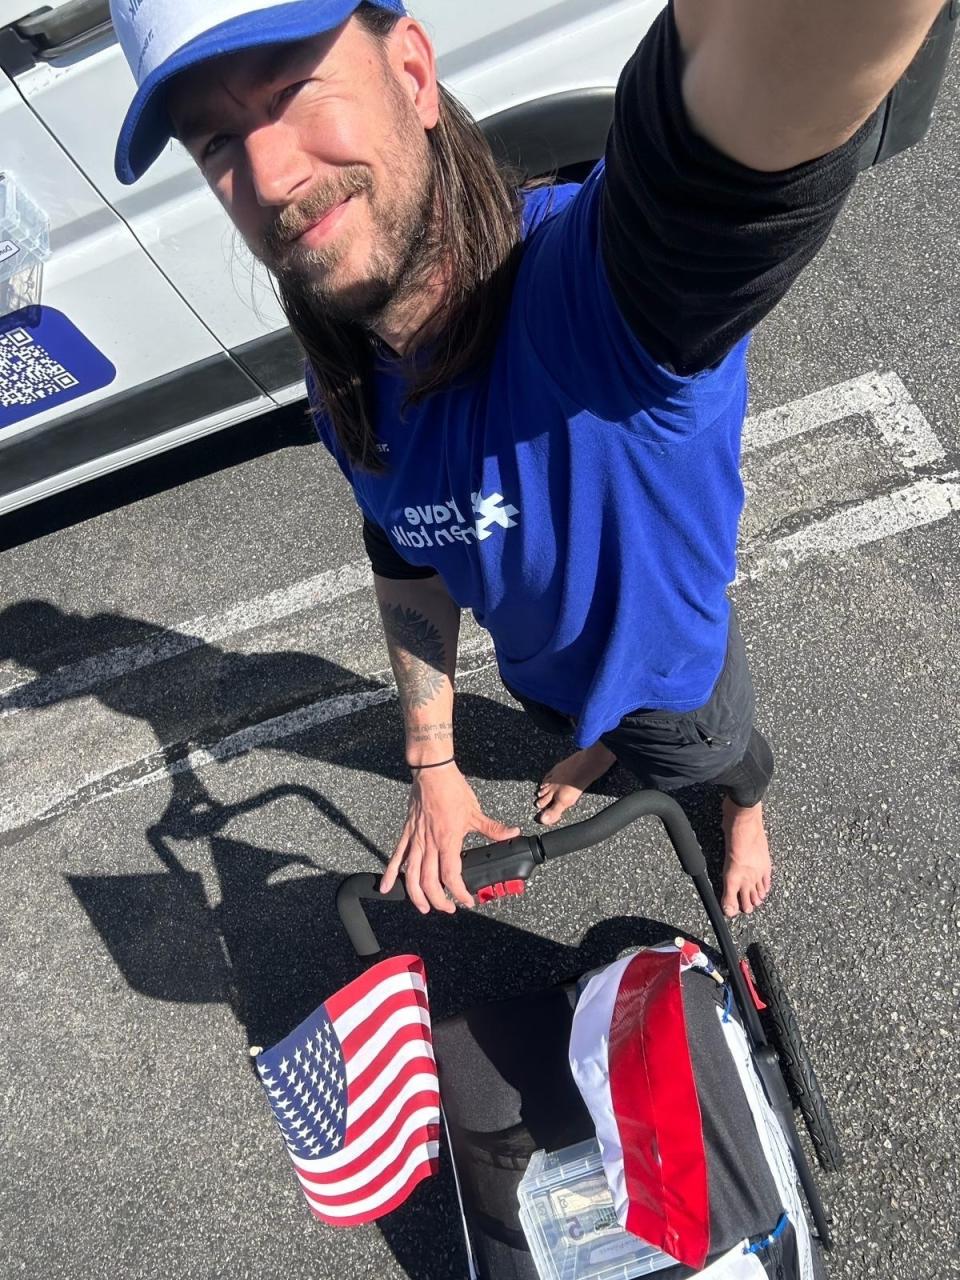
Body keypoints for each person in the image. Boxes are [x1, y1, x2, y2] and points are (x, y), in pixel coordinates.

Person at [111, 0, 945, 918]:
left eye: (294, 89)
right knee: (582, 725)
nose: (267, 176)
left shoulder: (605, 302)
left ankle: (746, 815)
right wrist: (433, 763)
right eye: (218, 142)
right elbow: (402, 545)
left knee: (725, 758)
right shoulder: (341, 374)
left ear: (414, 75)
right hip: (539, 678)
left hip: (675, 694)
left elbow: (772, 69)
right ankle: (595, 744)